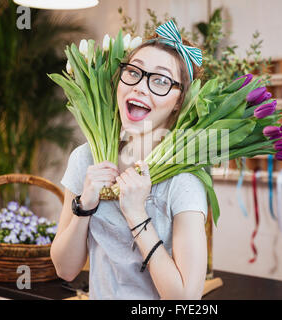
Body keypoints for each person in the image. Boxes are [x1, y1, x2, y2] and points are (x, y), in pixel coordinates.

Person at [51, 21, 209, 300]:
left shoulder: (184, 182)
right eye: (133, 72)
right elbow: (64, 269)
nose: (140, 87)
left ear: (179, 100)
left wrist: (137, 215)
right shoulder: (86, 159)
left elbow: (185, 299)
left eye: (160, 80)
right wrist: (84, 206)